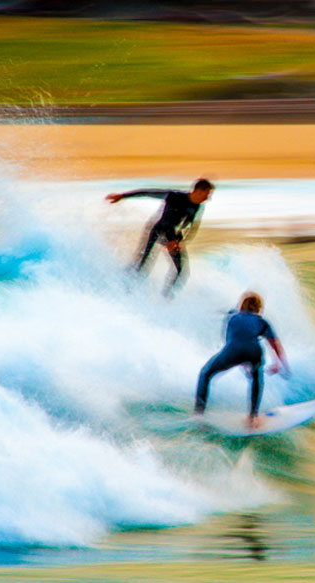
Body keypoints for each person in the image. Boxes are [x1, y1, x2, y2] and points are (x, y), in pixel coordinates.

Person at [194, 292, 289, 430]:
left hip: (232, 351)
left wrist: (241, 361)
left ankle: (198, 414)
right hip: (254, 352)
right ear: (258, 309)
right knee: (257, 377)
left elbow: (230, 341)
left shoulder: (232, 318)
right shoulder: (262, 322)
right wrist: (280, 365)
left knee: (205, 373)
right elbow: (275, 343)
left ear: (242, 306)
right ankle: (253, 417)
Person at [105, 178, 213, 293]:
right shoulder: (173, 196)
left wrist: (180, 242)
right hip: (158, 231)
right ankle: (124, 289)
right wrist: (123, 196)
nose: (207, 198)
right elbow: (148, 192)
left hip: (173, 237)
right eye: (206, 194)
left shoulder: (197, 207)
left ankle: (166, 298)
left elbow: (192, 228)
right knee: (142, 265)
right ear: (199, 191)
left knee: (181, 270)